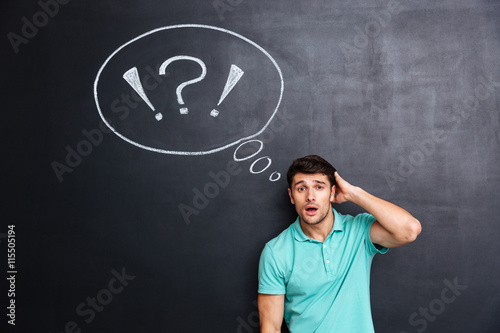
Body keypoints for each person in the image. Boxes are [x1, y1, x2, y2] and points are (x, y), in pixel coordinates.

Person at [258, 155, 421, 333]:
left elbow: (410, 230)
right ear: (291, 196)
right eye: (301, 188)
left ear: (332, 192)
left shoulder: (359, 231)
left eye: (319, 187)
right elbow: (271, 328)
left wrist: (354, 194)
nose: (310, 196)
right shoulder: (276, 252)